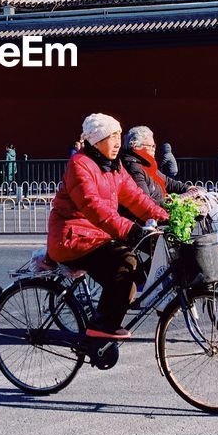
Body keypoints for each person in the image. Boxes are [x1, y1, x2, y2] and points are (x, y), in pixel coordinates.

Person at [47, 113, 168, 340]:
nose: (117, 143)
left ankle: (107, 321)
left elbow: (134, 197)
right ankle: (102, 325)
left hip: (95, 236)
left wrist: (163, 216)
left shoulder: (114, 165)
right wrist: (129, 230)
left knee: (133, 272)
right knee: (126, 262)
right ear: (96, 140)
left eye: (119, 136)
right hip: (72, 237)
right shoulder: (80, 165)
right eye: (111, 137)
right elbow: (94, 208)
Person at [120, 127, 190, 207]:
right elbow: (145, 202)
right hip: (151, 216)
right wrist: (171, 203)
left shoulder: (148, 164)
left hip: (160, 211)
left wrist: (189, 188)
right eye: (151, 146)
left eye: (154, 146)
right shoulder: (134, 168)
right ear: (136, 146)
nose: (154, 149)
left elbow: (168, 182)